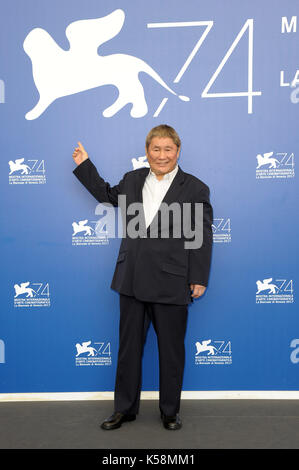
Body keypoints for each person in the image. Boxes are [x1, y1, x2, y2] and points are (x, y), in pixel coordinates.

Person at [72, 124, 213, 430]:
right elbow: (107, 196)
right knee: (128, 349)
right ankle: (124, 409)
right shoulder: (133, 179)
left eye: (168, 149)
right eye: (156, 149)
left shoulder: (195, 187)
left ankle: (169, 411)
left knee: (172, 352)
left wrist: (199, 277)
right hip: (132, 279)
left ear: (178, 151)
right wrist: (85, 165)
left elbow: (200, 235)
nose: (162, 155)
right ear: (147, 151)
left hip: (173, 280)